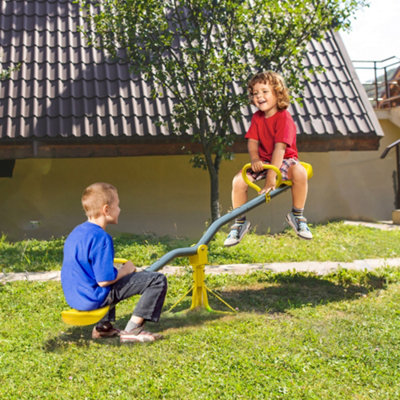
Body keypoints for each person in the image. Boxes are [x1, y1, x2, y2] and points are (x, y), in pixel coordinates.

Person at [61, 182, 167, 343]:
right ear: (106, 210)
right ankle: (133, 330)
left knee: (109, 272)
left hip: (76, 297)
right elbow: (104, 281)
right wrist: (127, 269)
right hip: (93, 298)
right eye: (117, 205)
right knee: (156, 280)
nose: (120, 209)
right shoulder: (101, 238)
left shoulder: (76, 233)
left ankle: (103, 328)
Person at [224, 71, 312, 247]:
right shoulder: (257, 118)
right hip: (264, 160)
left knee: (300, 172)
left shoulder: (284, 117)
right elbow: (252, 143)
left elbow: (280, 149)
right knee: (238, 181)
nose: (259, 96)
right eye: (255, 93)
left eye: (264, 91)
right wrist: (255, 159)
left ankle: (297, 215)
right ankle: (239, 223)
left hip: (284, 159)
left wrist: (271, 179)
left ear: (277, 93)